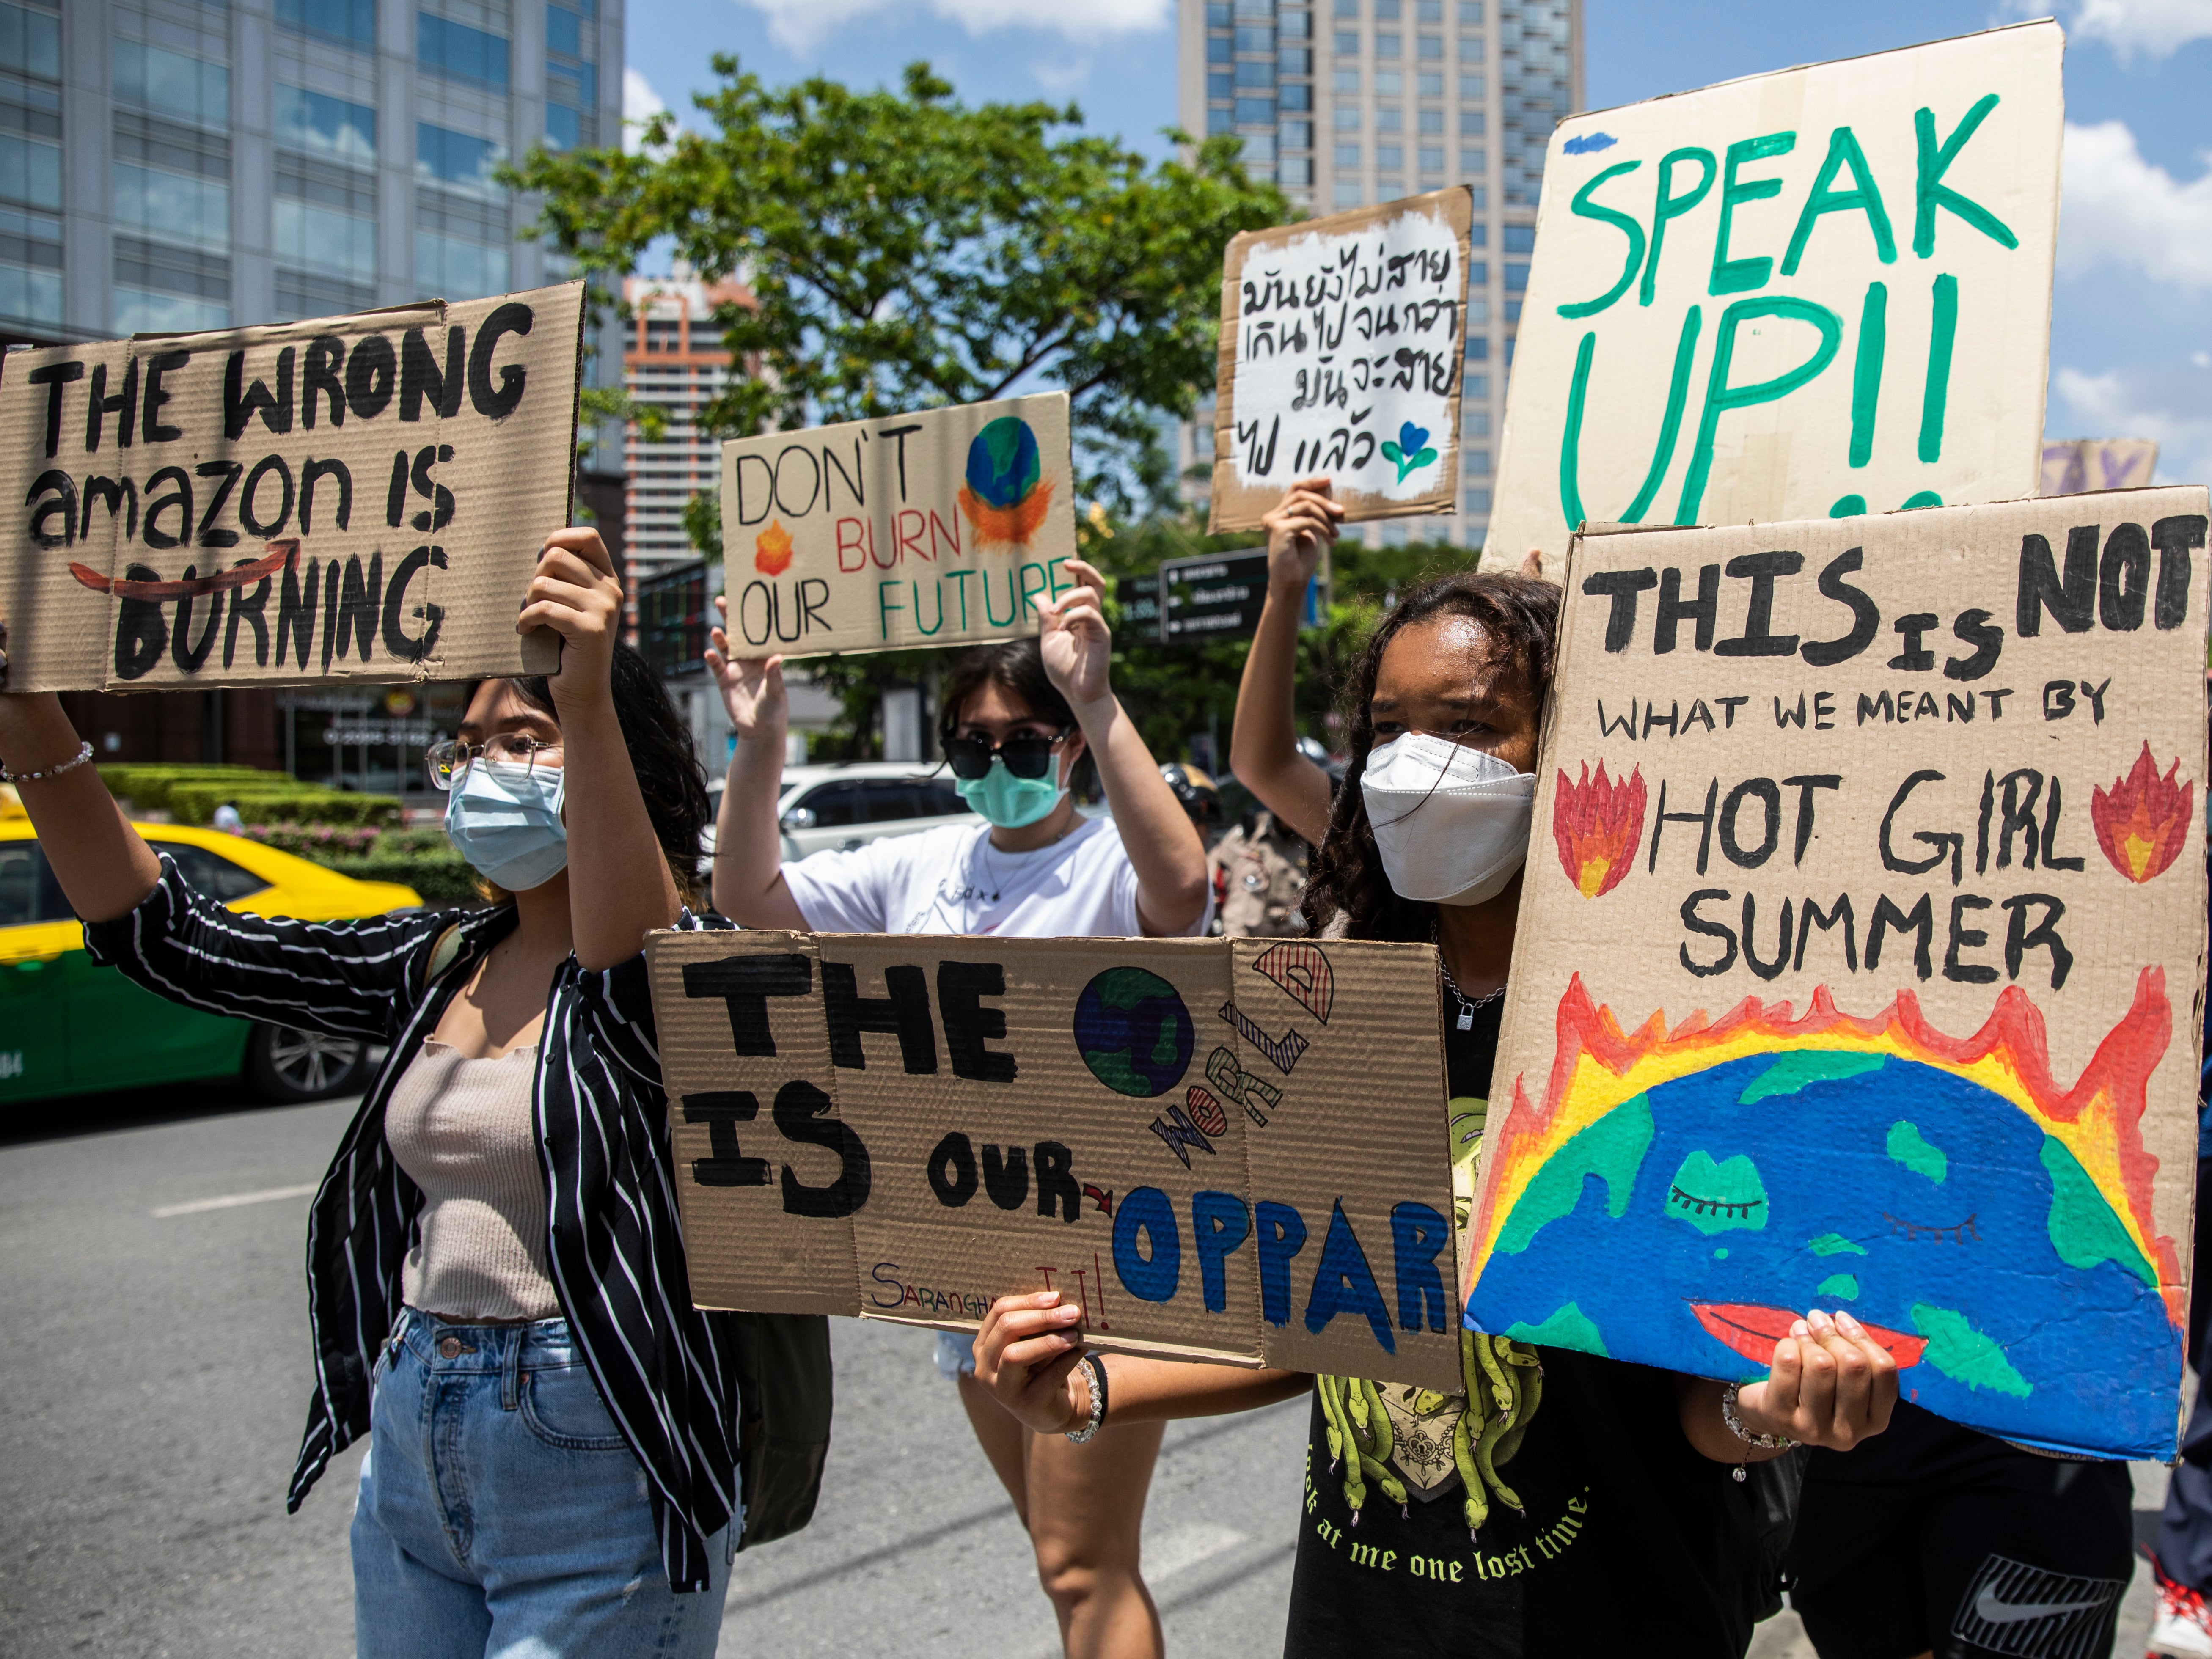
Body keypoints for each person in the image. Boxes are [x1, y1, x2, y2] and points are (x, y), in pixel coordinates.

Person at [971, 553, 1902, 1658]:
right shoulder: (1341, 1010)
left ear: (1569, 745)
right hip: (1358, 1621)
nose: (1416, 765)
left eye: (1468, 724)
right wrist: (1083, 1389)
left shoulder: (1680, 1041)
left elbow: (1704, 1407)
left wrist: (1775, 1406)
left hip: (1612, 1615)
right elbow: (1331, 1319)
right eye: (1388, 727)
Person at [0, 531, 746, 1656]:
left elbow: (631, 961)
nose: (488, 768)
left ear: (611, 756)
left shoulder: (690, 960)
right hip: (419, 1423)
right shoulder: (435, 955)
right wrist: (31, 722)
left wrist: (585, 694)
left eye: (525, 741)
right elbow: (171, 941)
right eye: (470, 747)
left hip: (603, 1440)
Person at [706, 556, 1211, 1659]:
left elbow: (1181, 890)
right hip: (967, 1263)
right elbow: (746, 898)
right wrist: (758, 736)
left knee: (1082, 1563)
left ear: (1069, 748)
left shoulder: (1103, 859)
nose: (997, 763)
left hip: (1105, 1260)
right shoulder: (919, 863)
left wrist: (1094, 690)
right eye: (971, 745)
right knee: (1062, 1553)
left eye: (1024, 742)